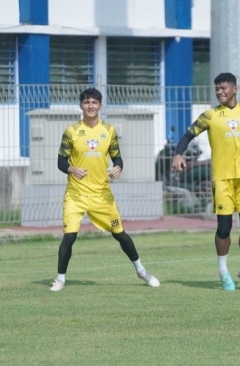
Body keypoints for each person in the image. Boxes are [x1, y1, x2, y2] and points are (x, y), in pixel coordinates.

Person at [171, 72, 240, 291]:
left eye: (224, 88)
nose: (220, 92)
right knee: (224, 228)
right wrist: (178, 154)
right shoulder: (210, 116)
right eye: (217, 89)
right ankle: (223, 273)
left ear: (234, 89)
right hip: (222, 180)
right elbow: (187, 136)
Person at [50, 88, 160, 291]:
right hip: (76, 194)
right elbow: (60, 161)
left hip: (102, 195)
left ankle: (142, 271)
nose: (90, 106)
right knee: (69, 236)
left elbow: (117, 157)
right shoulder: (71, 131)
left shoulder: (108, 131)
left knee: (120, 233)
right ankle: (60, 279)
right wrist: (71, 168)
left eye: (94, 102)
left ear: (100, 105)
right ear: (80, 105)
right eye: (86, 102)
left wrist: (118, 167)